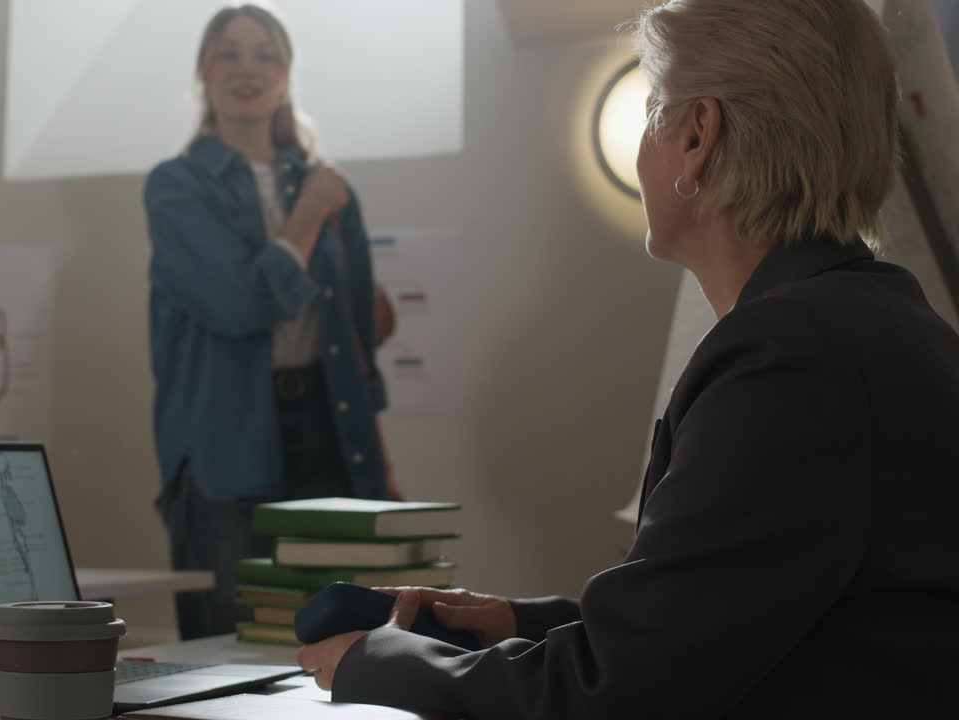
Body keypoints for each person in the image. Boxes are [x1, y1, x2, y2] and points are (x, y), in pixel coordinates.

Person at [299, 0, 959, 716]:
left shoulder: (789, 361)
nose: (645, 138)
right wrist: (521, 624)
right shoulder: (892, 321)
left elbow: (614, 696)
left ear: (698, 134)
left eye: (652, 110)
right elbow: (744, 622)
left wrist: (380, 660)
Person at [145, 3, 401, 640]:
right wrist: (310, 214)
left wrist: (380, 461)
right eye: (228, 52)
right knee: (229, 648)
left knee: (340, 645)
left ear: (286, 76)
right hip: (221, 441)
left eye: (265, 53)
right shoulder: (174, 186)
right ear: (204, 71)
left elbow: (358, 340)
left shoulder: (331, 186)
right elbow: (236, 305)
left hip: (329, 429)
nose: (247, 67)